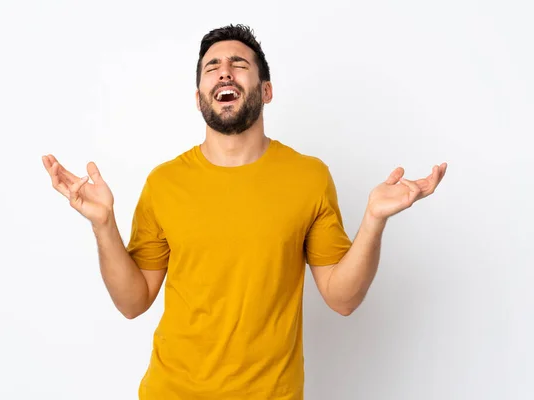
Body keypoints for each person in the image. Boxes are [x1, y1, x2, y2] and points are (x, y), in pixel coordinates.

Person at [42, 24, 447, 400]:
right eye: (212, 68)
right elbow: (133, 302)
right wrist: (103, 225)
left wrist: (374, 220)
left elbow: (342, 298)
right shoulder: (164, 184)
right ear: (199, 96)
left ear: (266, 90)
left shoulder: (309, 177)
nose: (224, 73)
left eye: (239, 64)